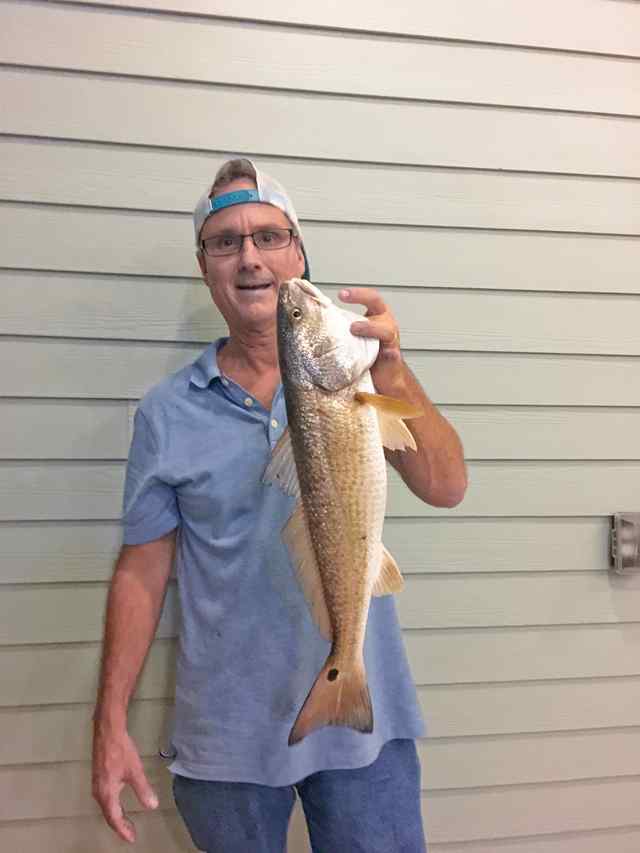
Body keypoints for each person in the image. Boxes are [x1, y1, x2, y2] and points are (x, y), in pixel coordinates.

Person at [92, 158, 468, 852]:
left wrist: (391, 367)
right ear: (205, 267)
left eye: (269, 236)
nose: (250, 257)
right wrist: (109, 721)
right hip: (227, 737)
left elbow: (446, 485)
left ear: (298, 254)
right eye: (225, 241)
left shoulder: (362, 379)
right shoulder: (165, 412)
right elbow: (141, 571)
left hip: (363, 726)